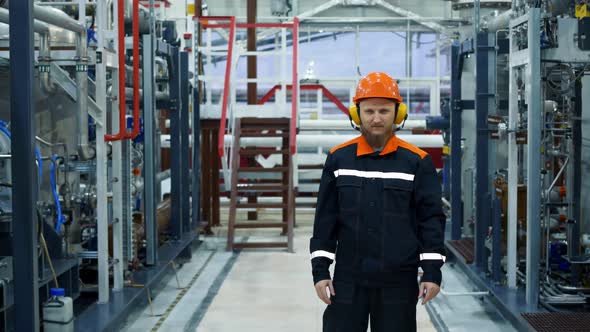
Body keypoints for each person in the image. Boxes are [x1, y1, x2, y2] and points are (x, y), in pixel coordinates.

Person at [309, 72, 446, 332]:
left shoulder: (417, 162)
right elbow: (325, 221)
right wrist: (321, 271)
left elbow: (430, 221)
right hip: (348, 279)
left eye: (384, 111)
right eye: (369, 111)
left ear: (398, 113)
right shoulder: (339, 159)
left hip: (399, 280)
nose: (376, 118)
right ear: (356, 113)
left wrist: (431, 272)